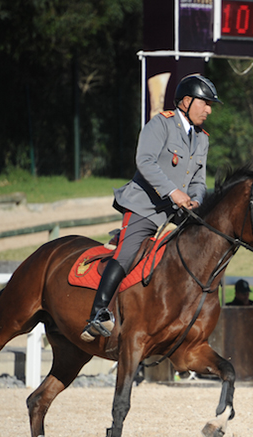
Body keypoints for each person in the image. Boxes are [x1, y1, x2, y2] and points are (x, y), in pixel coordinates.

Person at [81, 74, 222, 342]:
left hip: (180, 213)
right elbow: (144, 162)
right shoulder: (160, 124)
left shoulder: (202, 138)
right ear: (186, 101)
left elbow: (199, 180)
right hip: (145, 207)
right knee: (126, 253)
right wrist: (174, 192)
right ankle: (98, 313)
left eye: (210, 105)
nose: (209, 110)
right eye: (205, 103)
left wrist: (196, 200)